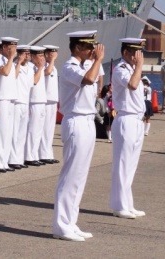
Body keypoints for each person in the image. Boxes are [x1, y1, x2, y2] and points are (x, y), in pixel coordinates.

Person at [52, 30, 103, 242]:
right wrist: (98, 60)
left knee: (80, 176)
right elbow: (89, 80)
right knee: (71, 175)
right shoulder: (69, 66)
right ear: (78, 47)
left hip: (88, 121)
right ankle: (61, 225)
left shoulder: (85, 65)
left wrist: (95, 62)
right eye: (89, 47)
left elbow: (96, 82)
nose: (92, 50)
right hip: (75, 121)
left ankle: (71, 222)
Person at [109, 37, 146, 220]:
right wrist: (139, 66)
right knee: (122, 164)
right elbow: (132, 85)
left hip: (137, 120)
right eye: (134, 53)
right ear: (125, 53)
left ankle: (128, 203)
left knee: (131, 165)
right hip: (126, 118)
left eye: (140, 53)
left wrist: (137, 67)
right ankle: (119, 205)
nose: (138, 57)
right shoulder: (120, 69)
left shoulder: (132, 69)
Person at [0, 37, 18, 172]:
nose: (14, 50)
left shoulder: (9, 61)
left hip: (11, 99)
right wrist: (12, 58)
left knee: (8, 133)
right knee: (0, 132)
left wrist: (12, 59)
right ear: (5, 47)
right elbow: (5, 72)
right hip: (2, 99)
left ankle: (4, 161)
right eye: (12, 47)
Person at [24, 46, 47, 167]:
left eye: (43, 55)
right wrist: (40, 68)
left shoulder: (39, 67)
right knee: (32, 130)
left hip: (41, 101)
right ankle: (29, 156)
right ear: (33, 56)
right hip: (33, 101)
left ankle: (34, 155)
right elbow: (34, 81)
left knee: (38, 130)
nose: (42, 58)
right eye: (40, 55)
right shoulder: (29, 67)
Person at [40, 45, 60, 164]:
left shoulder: (53, 66)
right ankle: (43, 154)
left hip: (52, 101)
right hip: (46, 101)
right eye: (52, 53)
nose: (54, 55)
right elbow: (46, 73)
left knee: (50, 129)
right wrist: (52, 60)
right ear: (46, 54)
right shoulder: (44, 65)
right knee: (45, 128)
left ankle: (48, 153)